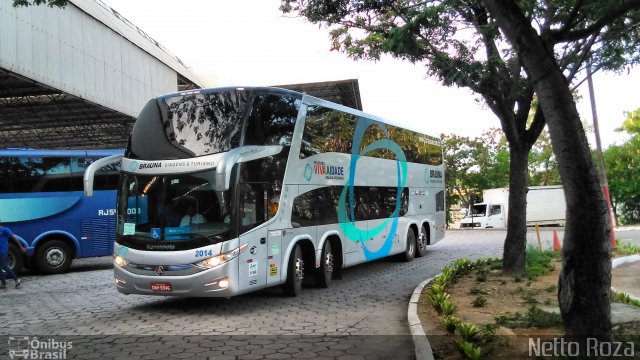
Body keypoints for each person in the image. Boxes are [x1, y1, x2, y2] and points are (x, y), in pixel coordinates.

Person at [0, 220, 26, 289]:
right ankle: (3, 284)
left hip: (3, 250)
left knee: (4, 266)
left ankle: (16, 280)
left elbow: (14, 238)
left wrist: (21, 247)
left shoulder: (5, 230)